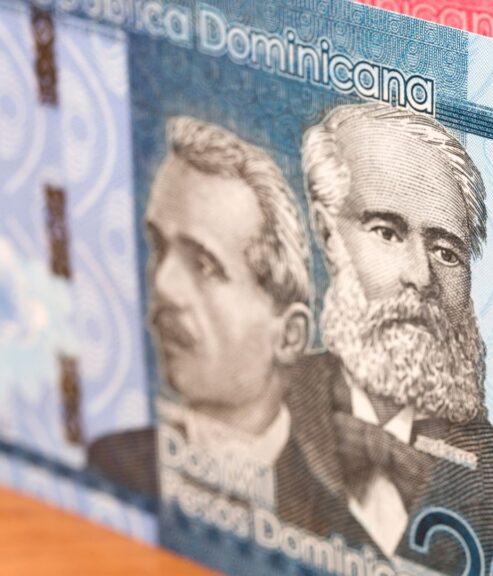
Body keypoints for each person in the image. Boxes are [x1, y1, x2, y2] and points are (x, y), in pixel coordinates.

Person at [289, 101, 493, 574]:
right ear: (327, 234)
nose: (421, 277)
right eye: (387, 232)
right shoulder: (259, 398)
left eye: (446, 252)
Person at [88, 116, 329, 530]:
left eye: (204, 265)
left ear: (289, 335)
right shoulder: (111, 466)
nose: (162, 284)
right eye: (158, 247)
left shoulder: (335, 524)